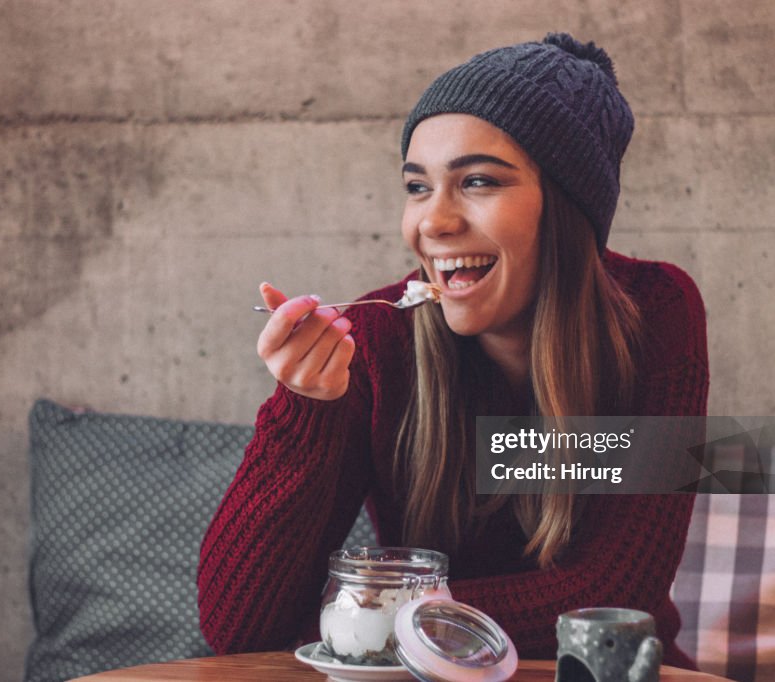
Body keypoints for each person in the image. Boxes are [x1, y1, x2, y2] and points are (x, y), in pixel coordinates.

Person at [197, 33, 708, 668]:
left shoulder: (655, 314)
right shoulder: (377, 340)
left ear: (568, 207)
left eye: (478, 181)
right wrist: (306, 407)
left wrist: (377, 626)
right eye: (417, 187)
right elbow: (238, 626)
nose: (432, 223)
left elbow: (608, 598)